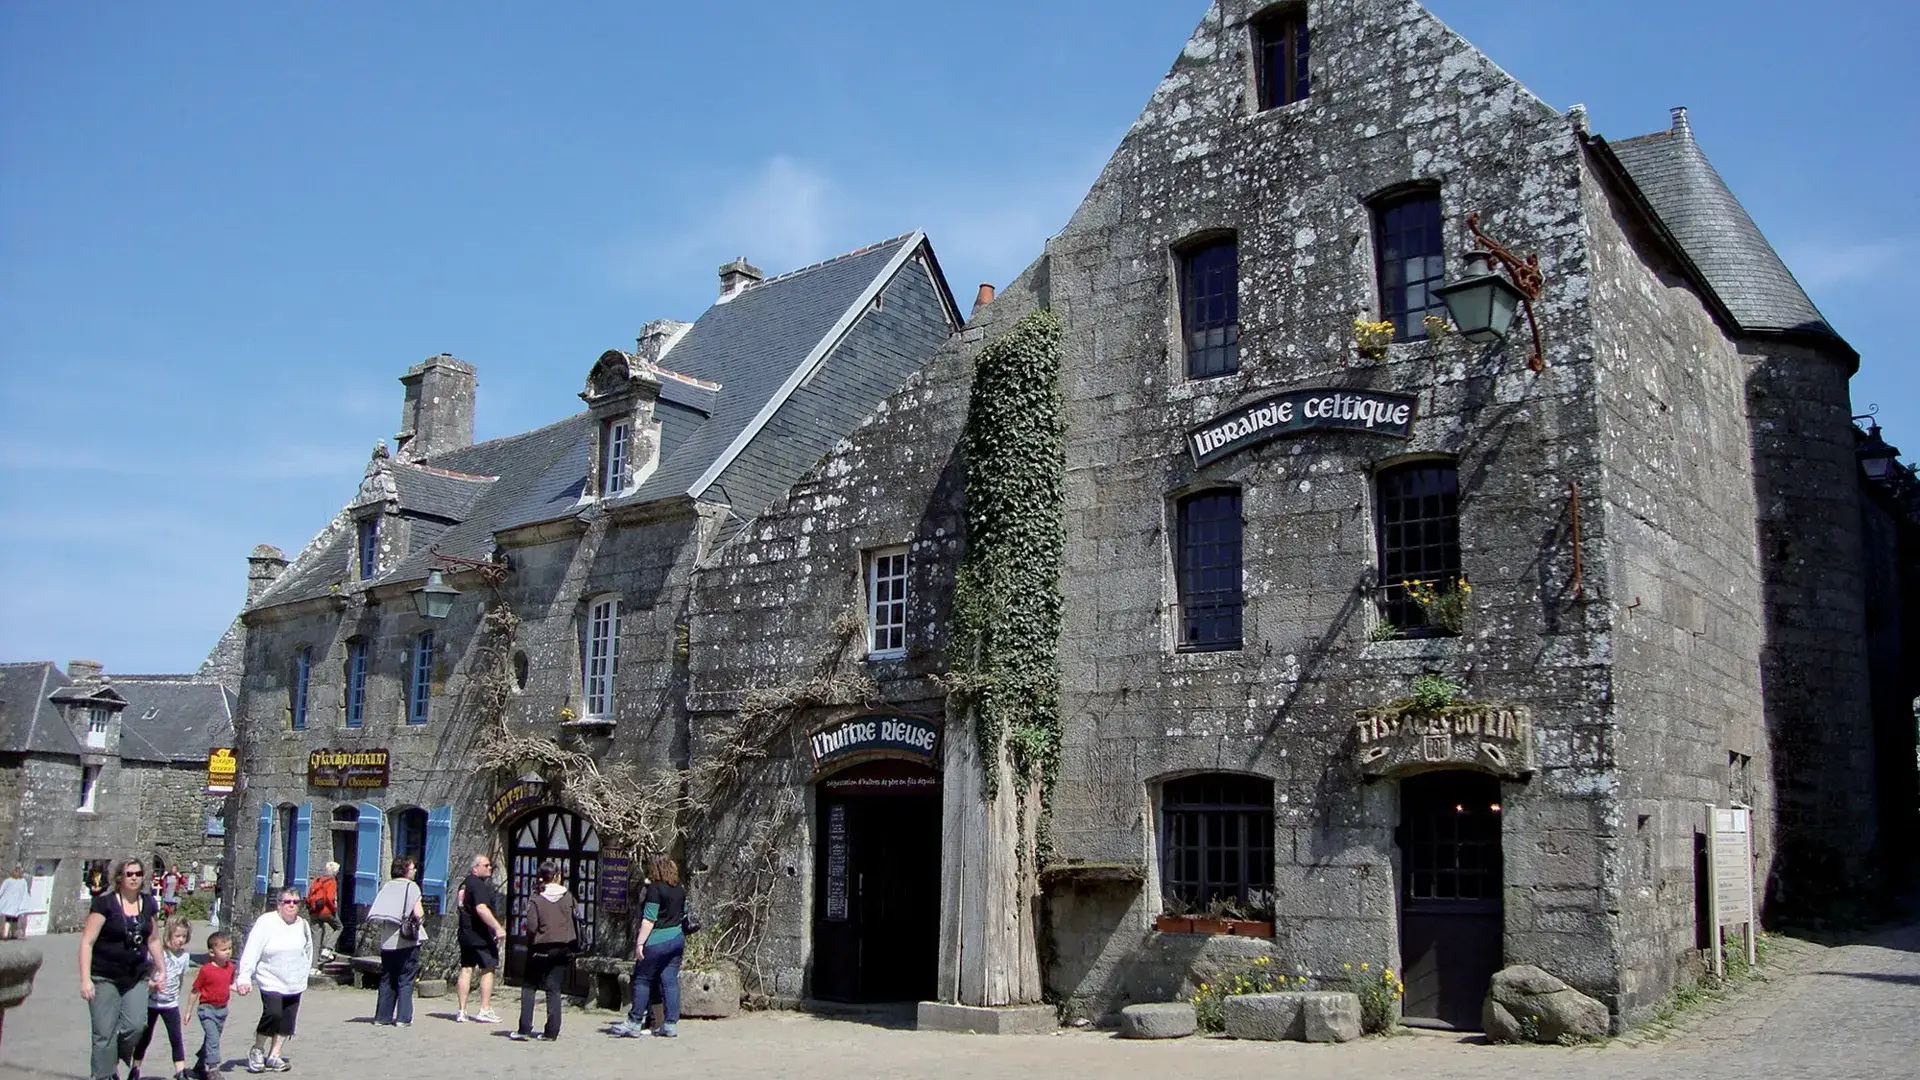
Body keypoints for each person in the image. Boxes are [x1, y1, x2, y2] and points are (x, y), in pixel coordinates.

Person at [80, 859, 166, 1080]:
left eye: (138, 873)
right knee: (103, 1033)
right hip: (104, 976)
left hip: (136, 976)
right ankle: (103, 1075)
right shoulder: (104, 904)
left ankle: (111, 1057)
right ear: (120, 877)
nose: (134, 877)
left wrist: (162, 969)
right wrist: (85, 980)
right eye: (129, 874)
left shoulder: (148, 904)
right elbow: (87, 942)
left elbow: (154, 939)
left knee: (136, 1026)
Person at [235, 886, 312, 1073]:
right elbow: (252, 949)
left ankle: (274, 1055)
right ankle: (257, 1049)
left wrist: (305, 973)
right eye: (287, 902)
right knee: (273, 1014)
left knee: (287, 1020)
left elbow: (308, 950)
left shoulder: (302, 924)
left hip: (294, 980)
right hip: (270, 978)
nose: (291, 906)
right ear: (279, 904)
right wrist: (244, 977)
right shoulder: (266, 922)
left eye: (295, 902)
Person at [610, 856, 686, 1039]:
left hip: (657, 940)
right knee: (669, 981)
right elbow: (683, 913)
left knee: (642, 980)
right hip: (676, 938)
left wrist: (639, 943)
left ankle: (634, 1021)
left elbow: (649, 919)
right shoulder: (679, 889)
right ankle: (670, 1024)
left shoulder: (654, 889)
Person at [508, 861, 577, 1042]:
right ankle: (552, 1031)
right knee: (554, 988)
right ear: (557, 876)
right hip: (563, 947)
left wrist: (534, 939)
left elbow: (531, 926)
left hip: (541, 947)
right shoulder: (568, 896)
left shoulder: (536, 898)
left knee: (529, 986)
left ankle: (524, 1028)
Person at [366, 856, 427, 1027]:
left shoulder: (387, 886)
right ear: (406, 869)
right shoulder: (411, 887)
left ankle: (382, 1017)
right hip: (406, 940)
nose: (415, 871)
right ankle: (403, 1017)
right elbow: (419, 913)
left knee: (387, 978)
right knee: (406, 979)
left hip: (387, 941)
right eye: (413, 868)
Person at [131, 916, 193, 1080]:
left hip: (171, 1004)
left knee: (176, 1038)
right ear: (168, 935)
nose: (180, 940)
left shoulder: (184, 957)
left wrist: (178, 995)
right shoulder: (158, 954)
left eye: (184, 937)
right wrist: (152, 984)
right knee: (145, 1037)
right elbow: (144, 976)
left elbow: (180, 978)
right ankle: (135, 1068)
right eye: (177, 936)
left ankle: (180, 1071)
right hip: (152, 1002)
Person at [454, 853, 507, 1024]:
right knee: (488, 968)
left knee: (466, 968)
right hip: (480, 934)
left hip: (465, 933)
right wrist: (497, 927)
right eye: (486, 865)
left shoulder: (465, 884)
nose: (489, 868)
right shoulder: (478, 885)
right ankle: (484, 1008)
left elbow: (460, 904)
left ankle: (462, 1011)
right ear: (475, 868)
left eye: (490, 865)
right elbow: (481, 909)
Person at [187, 930, 235, 1080]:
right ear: (212, 952)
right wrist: (188, 1011)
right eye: (223, 949)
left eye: (229, 948)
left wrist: (240, 987)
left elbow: (230, 983)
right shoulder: (206, 970)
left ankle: (199, 1066)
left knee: (210, 1040)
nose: (227, 952)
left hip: (222, 1010)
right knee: (213, 1039)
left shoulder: (230, 967)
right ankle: (213, 1069)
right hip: (207, 1009)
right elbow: (195, 991)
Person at [305, 862, 341, 965]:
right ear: (334, 871)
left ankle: (313, 967)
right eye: (337, 870)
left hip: (314, 911)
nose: (338, 872)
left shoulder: (318, 880)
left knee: (316, 941)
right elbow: (329, 898)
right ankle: (328, 949)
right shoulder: (332, 881)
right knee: (339, 927)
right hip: (326, 911)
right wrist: (333, 910)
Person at [0, 865, 29, 939]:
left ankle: (7, 934)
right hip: (14, 904)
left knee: (9, 919)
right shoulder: (21, 882)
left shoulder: (10, 881)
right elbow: (25, 893)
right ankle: (10, 934)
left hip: (10, 904)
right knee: (13, 920)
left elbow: (1, 891)